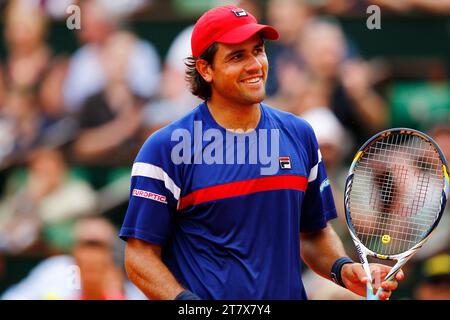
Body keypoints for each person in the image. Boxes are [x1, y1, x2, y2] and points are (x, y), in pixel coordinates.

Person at [119, 5, 403, 300]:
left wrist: (343, 269)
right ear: (206, 69)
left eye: (258, 51)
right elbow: (139, 257)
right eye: (237, 56)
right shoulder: (164, 149)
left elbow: (314, 234)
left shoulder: (301, 135)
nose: (255, 64)